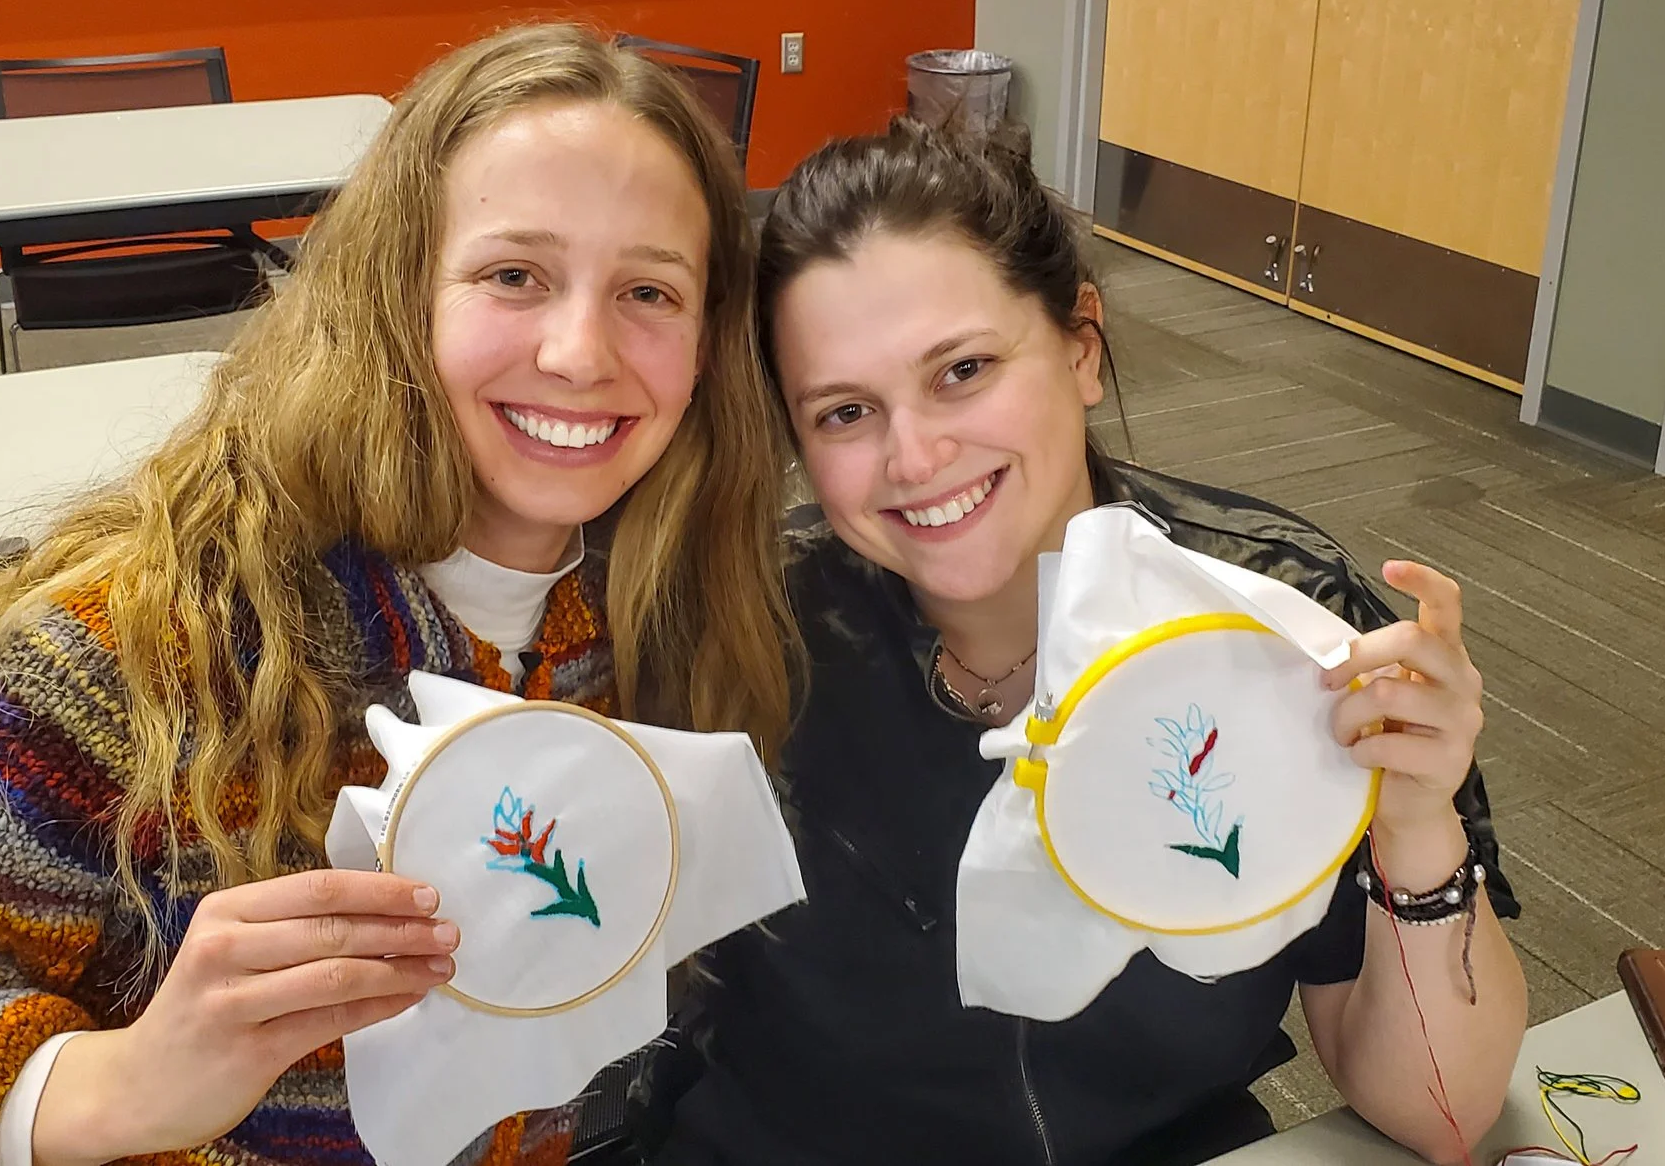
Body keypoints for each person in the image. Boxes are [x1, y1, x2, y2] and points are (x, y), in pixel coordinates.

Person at [0, 24, 794, 1166]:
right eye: (512, 275)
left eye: (649, 289)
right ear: (396, 290)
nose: (580, 350)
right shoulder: (144, 654)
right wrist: (119, 1082)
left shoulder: (666, 618)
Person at [650, 120, 1528, 1166]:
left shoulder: (1274, 628)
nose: (916, 454)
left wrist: (1419, 826)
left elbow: (1440, 1111)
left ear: (1080, 347)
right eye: (845, 412)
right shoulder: (743, 634)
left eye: (963, 369)